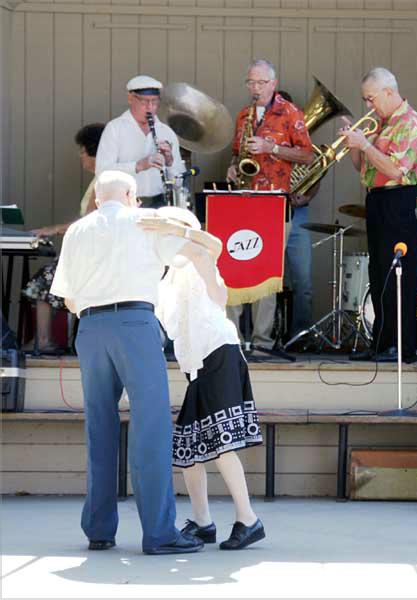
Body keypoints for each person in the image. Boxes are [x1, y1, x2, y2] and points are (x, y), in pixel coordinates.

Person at [49, 170, 216, 555]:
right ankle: (158, 533)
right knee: (151, 428)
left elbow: (68, 297)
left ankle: (99, 529)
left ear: (96, 199)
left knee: (99, 427)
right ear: (130, 195)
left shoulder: (77, 230)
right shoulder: (146, 221)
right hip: (135, 322)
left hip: (90, 328)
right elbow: (199, 250)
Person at [142, 206, 266, 551]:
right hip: (197, 366)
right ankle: (203, 522)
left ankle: (248, 519)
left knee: (222, 444)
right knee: (187, 450)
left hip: (218, 354)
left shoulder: (198, 259)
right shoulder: (165, 276)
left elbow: (219, 294)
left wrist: (190, 245)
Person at [339, 67, 417, 362]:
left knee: (399, 275)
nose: (368, 105)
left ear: (389, 92)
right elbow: (364, 169)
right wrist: (353, 143)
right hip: (378, 200)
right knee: (380, 274)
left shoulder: (410, 123)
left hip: (401, 201)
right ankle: (381, 342)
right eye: (365, 99)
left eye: (371, 98)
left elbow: (395, 170)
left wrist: (364, 144)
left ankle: (401, 346)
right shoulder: (382, 123)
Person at [224, 60, 314, 352]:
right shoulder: (243, 115)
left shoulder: (290, 113)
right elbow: (237, 153)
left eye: (261, 83)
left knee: (267, 274)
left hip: (275, 203)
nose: (255, 88)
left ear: (273, 84)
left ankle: (263, 341)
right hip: (244, 202)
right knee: (235, 268)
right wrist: (233, 167)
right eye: (250, 82)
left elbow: (307, 155)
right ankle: (232, 338)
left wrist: (272, 148)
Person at [22, 123, 105, 353]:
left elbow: (89, 220)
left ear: (94, 151)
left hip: (90, 258)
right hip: (88, 254)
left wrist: (53, 229)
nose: (81, 157)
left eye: (82, 152)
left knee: (38, 285)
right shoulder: (103, 178)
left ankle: (44, 341)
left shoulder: (103, 180)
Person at [95, 75, 185, 208]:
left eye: (154, 102)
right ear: (130, 98)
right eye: (144, 102)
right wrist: (138, 166)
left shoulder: (166, 132)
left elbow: (179, 181)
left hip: (160, 204)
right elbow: (102, 172)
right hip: (125, 204)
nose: (150, 107)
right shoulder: (115, 129)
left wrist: (170, 161)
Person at [275, 89, 318, 338]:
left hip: (297, 213)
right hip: (269, 212)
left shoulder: (301, 141)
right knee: (266, 280)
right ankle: (268, 334)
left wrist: (307, 197)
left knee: (303, 281)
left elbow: (315, 173)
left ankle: (300, 336)